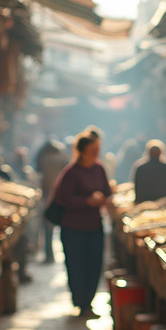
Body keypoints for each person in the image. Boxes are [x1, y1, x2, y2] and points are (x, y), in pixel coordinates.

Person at [51, 128, 110, 318]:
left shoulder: (99, 169)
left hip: (94, 226)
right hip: (73, 228)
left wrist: (103, 198)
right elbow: (63, 198)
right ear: (83, 151)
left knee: (94, 265)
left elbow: (107, 191)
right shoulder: (71, 172)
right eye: (93, 150)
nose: (96, 153)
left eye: (97, 150)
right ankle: (80, 302)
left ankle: (88, 303)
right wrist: (86, 201)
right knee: (76, 266)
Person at [35, 136, 69, 263]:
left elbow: (38, 174)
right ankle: (66, 255)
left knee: (48, 228)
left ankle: (49, 255)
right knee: (63, 227)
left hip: (47, 196)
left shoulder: (43, 159)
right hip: (62, 198)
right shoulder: (63, 159)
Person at [132, 140, 166, 204]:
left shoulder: (140, 168)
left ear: (147, 153)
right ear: (162, 152)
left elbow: (137, 191)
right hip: (165, 202)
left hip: (144, 202)